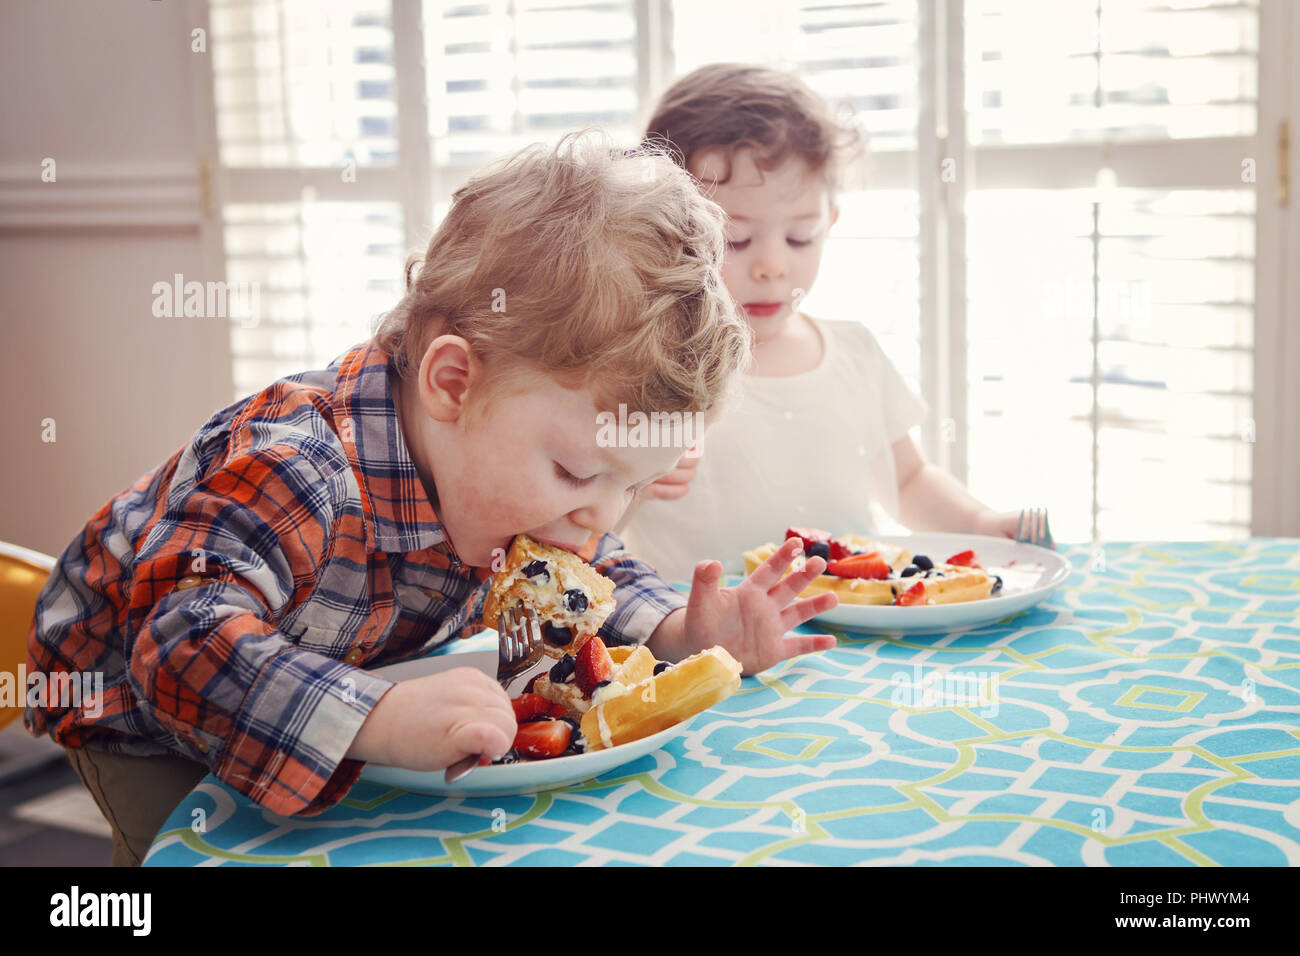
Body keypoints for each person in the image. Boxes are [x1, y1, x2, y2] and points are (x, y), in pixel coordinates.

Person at [24, 132, 837, 866]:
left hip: (332, 668)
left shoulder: (511, 478)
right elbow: (180, 647)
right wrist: (373, 716)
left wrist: (682, 630)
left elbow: (582, 580)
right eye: (581, 476)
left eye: (629, 486)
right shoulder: (299, 469)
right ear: (453, 382)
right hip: (135, 712)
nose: (601, 519)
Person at [619, 64, 1026, 583]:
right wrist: (633, 476)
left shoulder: (853, 353)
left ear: (830, 221)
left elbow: (909, 479)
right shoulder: (644, 365)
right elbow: (586, 513)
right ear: (665, 232)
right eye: (736, 240)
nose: (772, 266)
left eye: (801, 236)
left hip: (849, 636)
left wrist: (980, 523)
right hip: (699, 646)